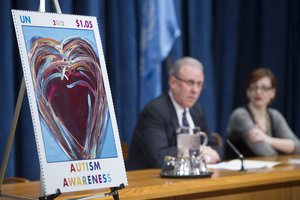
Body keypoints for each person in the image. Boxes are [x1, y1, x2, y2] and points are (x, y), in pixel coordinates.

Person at [126, 57, 223, 170]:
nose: (195, 90)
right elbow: (160, 158)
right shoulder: (155, 111)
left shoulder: (197, 111)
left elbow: (216, 148)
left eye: (199, 84)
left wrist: (208, 156)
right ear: (173, 82)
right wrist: (198, 151)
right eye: (190, 83)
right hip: (150, 182)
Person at [226, 68, 300, 157]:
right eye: (254, 87)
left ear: (272, 93)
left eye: (264, 88)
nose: (258, 92)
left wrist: (267, 139)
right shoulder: (240, 115)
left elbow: (297, 147)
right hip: (241, 170)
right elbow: (265, 152)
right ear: (248, 92)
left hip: (268, 170)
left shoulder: (274, 116)